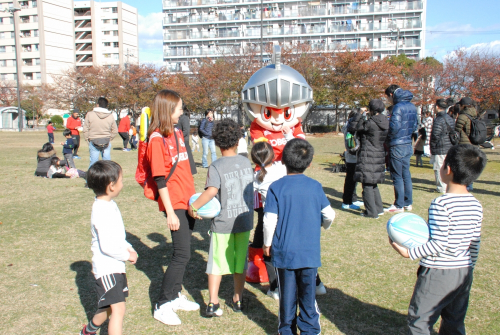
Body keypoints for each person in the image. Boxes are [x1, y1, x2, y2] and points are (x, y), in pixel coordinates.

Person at [389, 144, 486, 335]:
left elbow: (439, 243)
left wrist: (410, 253)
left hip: (439, 272)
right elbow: (475, 242)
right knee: (454, 320)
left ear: (447, 169)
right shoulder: (476, 204)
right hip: (464, 271)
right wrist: (469, 267)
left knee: (420, 320)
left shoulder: (441, 204)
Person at [263, 138, 335, 335]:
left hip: (284, 252)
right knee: (307, 293)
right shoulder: (315, 186)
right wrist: (321, 225)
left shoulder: (276, 187)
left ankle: (286, 329)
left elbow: (269, 219)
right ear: (309, 163)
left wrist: (267, 244)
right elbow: (329, 214)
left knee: (287, 295)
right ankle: (310, 329)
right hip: (309, 252)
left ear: (283, 161)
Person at [189, 119, 254, 317]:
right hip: (244, 222)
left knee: (215, 264)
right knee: (240, 262)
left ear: (216, 142)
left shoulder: (216, 166)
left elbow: (211, 191)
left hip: (223, 222)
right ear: (238, 141)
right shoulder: (246, 162)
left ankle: (212, 303)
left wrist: (194, 206)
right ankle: (238, 299)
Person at [148, 90, 200, 326]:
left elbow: (185, 170)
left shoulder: (177, 132)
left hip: (187, 200)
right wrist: (170, 211)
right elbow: (160, 179)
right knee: (182, 254)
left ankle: (176, 295)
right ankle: (162, 304)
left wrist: (196, 201)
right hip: (174, 202)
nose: (182, 111)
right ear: (168, 110)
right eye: (179, 108)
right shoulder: (157, 139)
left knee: (183, 252)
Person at [79, 160, 138, 335]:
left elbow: (118, 235)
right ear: (111, 186)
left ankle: (88, 330)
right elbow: (107, 246)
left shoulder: (109, 205)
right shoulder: (101, 211)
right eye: (121, 180)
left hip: (115, 266)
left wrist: (129, 247)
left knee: (109, 308)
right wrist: (126, 255)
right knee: (118, 310)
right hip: (107, 268)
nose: (123, 183)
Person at [250, 141, 287, 300]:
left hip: (270, 218)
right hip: (287, 215)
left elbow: (248, 194)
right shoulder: (282, 168)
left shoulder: (257, 177)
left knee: (269, 253)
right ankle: (315, 283)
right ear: (273, 155)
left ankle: (275, 288)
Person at [348, 99, 389, 219]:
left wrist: (360, 113)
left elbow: (353, 127)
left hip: (368, 154)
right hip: (379, 153)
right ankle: (378, 208)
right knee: (373, 183)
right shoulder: (385, 121)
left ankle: (371, 212)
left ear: (371, 110)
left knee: (366, 184)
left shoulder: (370, 123)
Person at [384, 84, 418, 213]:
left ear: (391, 95)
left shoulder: (398, 107)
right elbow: (415, 125)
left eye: (388, 97)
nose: (388, 100)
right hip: (408, 143)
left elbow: (394, 127)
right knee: (406, 174)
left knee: (397, 176)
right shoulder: (412, 106)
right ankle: (407, 202)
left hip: (397, 144)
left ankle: (399, 204)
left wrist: (389, 138)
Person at [83, 97, 118, 169]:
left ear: (97, 105)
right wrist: (110, 138)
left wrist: (87, 139)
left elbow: (85, 128)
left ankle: (91, 179)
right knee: (107, 163)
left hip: (93, 140)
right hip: (106, 140)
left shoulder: (90, 114)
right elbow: (115, 130)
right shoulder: (110, 116)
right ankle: (108, 178)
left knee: (93, 163)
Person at [430, 99, 456, 193]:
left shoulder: (439, 119)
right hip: (449, 146)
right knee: (447, 167)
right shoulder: (450, 118)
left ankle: (441, 187)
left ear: (437, 107)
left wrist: (432, 147)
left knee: (439, 167)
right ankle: (447, 185)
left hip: (440, 147)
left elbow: (435, 135)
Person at [342, 109, 364, 210]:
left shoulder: (348, 125)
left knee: (352, 180)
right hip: (352, 156)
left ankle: (352, 199)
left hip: (351, 156)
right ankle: (347, 202)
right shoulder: (350, 127)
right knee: (350, 180)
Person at [176, 110, 197, 175]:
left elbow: (186, 130)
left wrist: (177, 135)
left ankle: (191, 171)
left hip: (184, 141)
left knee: (188, 158)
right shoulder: (176, 117)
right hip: (178, 141)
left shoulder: (184, 118)